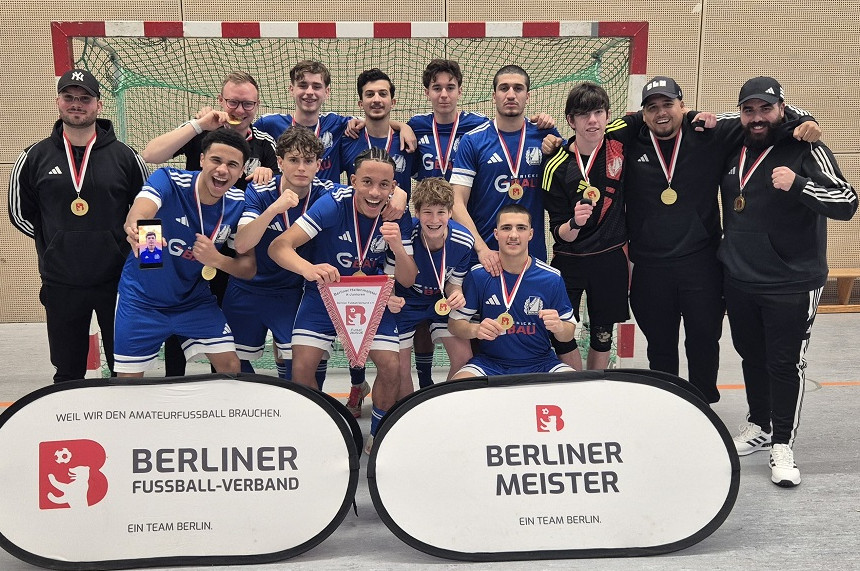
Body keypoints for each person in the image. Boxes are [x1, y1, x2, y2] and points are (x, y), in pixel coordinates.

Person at [622, 76, 820, 403]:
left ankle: (703, 404)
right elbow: (595, 130)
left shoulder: (710, 134)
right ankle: (667, 405)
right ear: (643, 114)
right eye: (652, 108)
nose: (661, 113)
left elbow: (761, 117)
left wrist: (806, 118)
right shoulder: (631, 141)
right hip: (650, 267)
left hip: (701, 264)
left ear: (683, 106)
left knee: (703, 340)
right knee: (659, 345)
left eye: (668, 104)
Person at [719, 77, 857, 487]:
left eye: (766, 108)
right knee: (751, 356)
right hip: (741, 276)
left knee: (784, 363)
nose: (757, 118)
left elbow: (847, 201)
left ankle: (782, 442)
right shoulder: (734, 140)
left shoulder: (807, 147)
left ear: (782, 108)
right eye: (749, 110)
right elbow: (709, 119)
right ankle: (760, 426)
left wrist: (799, 185)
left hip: (792, 281)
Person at [268, 147, 417, 454]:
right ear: (353, 181)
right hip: (324, 295)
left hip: (372, 298)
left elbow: (407, 279)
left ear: (393, 187)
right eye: (367, 182)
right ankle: (322, 432)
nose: (374, 193)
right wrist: (309, 269)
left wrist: (397, 247)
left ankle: (377, 434)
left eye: (384, 185)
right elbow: (279, 247)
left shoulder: (397, 215)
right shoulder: (333, 205)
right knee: (302, 368)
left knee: (392, 366)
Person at [8, 68, 148, 382]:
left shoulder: (126, 156)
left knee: (125, 367)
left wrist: (150, 268)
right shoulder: (33, 157)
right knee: (68, 370)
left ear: (99, 104)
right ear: (58, 101)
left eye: (85, 99)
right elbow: (20, 214)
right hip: (62, 281)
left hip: (117, 281)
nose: (76, 104)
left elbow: (150, 216)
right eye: (69, 97)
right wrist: (57, 243)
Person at [141, 71, 277, 377]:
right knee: (177, 311)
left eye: (248, 104)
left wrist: (270, 175)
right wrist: (198, 125)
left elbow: (280, 191)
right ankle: (174, 380)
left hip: (232, 246)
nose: (239, 110)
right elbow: (151, 154)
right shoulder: (202, 131)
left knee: (222, 319)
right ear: (220, 101)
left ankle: (225, 384)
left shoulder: (265, 144)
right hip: (188, 242)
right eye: (233, 102)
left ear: (257, 106)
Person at [113, 129, 256, 376]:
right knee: (129, 380)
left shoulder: (238, 203)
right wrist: (136, 230)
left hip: (193, 301)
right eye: (216, 160)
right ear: (201, 159)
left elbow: (248, 268)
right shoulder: (169, 179)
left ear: (242, 171)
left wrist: (217, 259)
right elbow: (141, 211)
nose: (223, 170)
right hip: (142, 301)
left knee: (231, 366)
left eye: (232, 164)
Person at [224, 126, 337, 379]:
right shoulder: (260, 191)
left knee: (304, 364)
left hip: (294, 292)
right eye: (294, 160)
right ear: (279, 162)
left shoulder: (328, 193)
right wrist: (274, 209)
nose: (301, 168)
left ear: (318, 165)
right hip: (249, 288)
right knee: (231, 364)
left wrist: (397, 194)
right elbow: (241, 245)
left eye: (308, 161)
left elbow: (364, 192)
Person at [541, 82, 630, 371]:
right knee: (561, 333)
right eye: (583, 114)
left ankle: (595, 388)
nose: (592, 120)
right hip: (570, 260)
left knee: (603, 335)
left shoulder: (621, 140)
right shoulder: (555, 165)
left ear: (607, 115)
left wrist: (692, 114)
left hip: (610, 257)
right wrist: (574, 224)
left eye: (598, 112)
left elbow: (652, 116)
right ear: (570, 120)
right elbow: (558, 231)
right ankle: (574, 385)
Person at [450, 65, 560, 274]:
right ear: (494, 96)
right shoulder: (473, 140)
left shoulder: (546, 136)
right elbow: (456, 203)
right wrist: (481, 249)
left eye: (518, 88)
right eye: (504, 88)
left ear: (528, 96)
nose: (511, 94)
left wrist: (556, 147)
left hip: (532, 256)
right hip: (485, 258)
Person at [449, 204, 576, 378]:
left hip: (541, 363)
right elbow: (454, 324)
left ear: (530, 234)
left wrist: (559, 327)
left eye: (521, 228)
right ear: (496, 234)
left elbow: (568, 334)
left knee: (575, 387)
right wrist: (475, 329)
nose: (513, 235)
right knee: (458, 386)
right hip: (489, 364)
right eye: (506, 228)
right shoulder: (479, 275)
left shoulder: (551, 278)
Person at [393, 177, 474, 395]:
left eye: (441, 212)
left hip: (440, 301)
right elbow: (389, 276)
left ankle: (439, 406)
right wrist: (390, 297)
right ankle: (411, 411)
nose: (434, 220)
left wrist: (456, 294)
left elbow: (454, 284)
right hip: (406, 300)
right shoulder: (405, 234)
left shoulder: (464, 241)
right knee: (399, 368)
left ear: (450, 213)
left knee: (464, 358)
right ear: (417, 213)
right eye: (428, 212)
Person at [408, 59, 489, 181]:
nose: (444, 95)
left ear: (459, 92)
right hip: (428, 193)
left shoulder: (478, 124)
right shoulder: (416, 125)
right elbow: (385, 128)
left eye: (450, 88)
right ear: (427, 93)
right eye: (437, 88)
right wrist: (401, 126)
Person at [341, 68, 415, 198]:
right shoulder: (348, 139)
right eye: (370, 94)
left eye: (383, 94)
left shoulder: (408, 141)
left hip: (398, 212)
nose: (376, 99)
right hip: (357, 211)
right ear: (361, 104)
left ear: (392, 103)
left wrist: (403, 126)